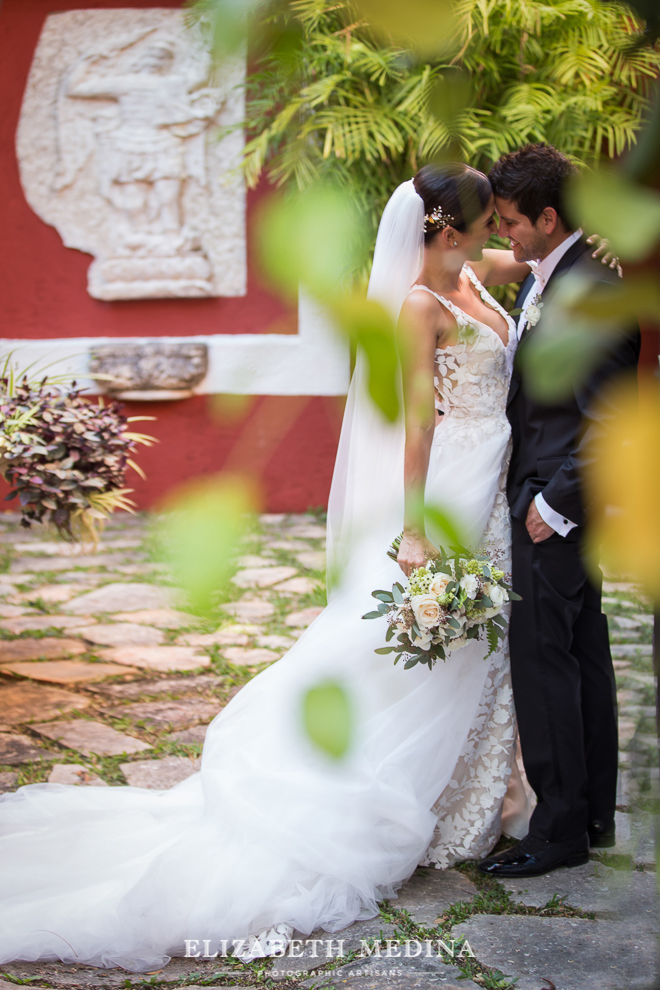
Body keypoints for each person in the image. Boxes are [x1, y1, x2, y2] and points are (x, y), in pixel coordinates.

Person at [0, 162, 615, 970]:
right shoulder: (415, 309)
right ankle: (404, 792)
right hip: (453, 482)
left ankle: (492, 794)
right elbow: (414, 428)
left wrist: (593, 248)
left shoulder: (484, 273)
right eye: (486, 220)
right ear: (447, 229)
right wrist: (416, 529)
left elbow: (547, 264)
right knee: (431, 640)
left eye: (506, 221)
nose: (501, 232)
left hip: (501, 476)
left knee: (492, 641)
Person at [478, 143, 641, 878]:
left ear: (548, 217)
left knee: (547, 665)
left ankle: (557, 832)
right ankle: (591, 816)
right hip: (553, 497)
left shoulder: (587, 292)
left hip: (556, 504)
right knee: (580, 658)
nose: (504, 234)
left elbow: (610, 418)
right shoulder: (561, 274)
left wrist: (553, 504)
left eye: (512, 222)